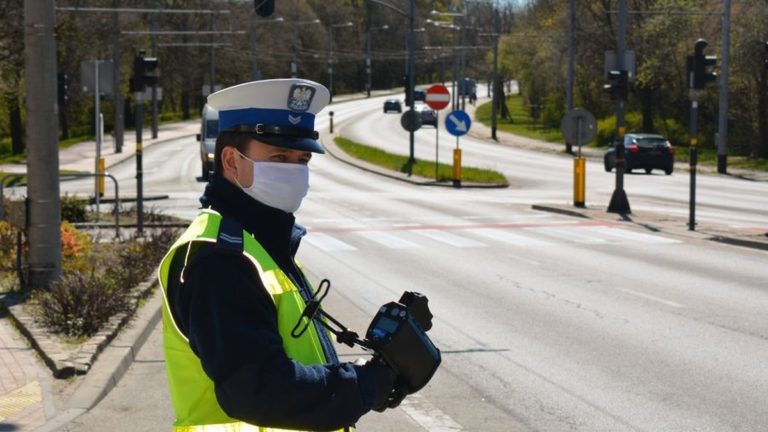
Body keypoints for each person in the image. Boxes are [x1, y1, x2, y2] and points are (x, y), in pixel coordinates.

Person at [158, 79, 399, 432]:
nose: (295, 172)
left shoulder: (259, 243)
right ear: (231, 161)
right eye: (279, 157)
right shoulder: (220, 260)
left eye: (302, 160)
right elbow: (259, 390)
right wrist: (363, 386)